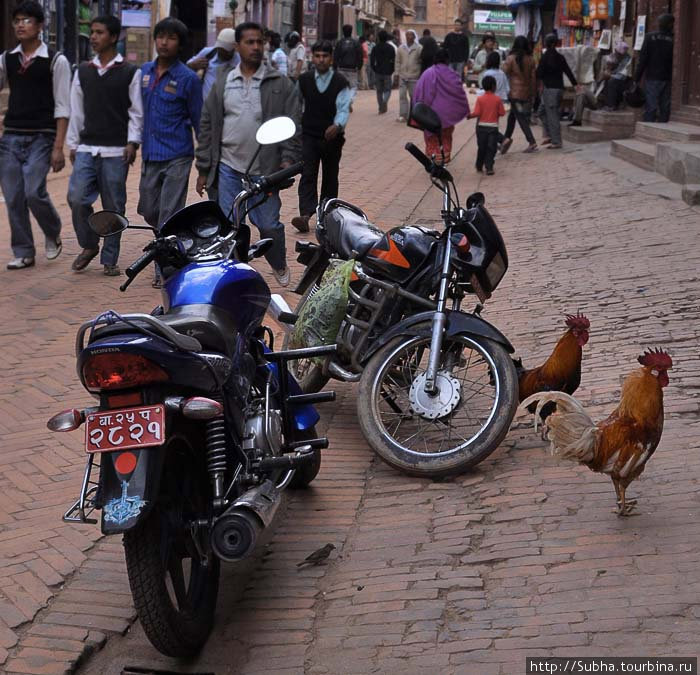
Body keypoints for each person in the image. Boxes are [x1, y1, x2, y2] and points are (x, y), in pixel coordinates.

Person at [195, 22, 301, 287]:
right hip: (228, 166)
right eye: (249, 42)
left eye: (259, 42)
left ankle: (277, 261)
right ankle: (235, 276)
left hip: (264, 169)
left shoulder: (280, 83)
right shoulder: (223, 82)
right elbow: (208, 124)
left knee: (268, 224)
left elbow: (291, 124)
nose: (255, 47)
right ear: (238, 46)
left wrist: (287, 161)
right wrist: (204, 168)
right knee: (230, 226)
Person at [67, 14, 142, 277]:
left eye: (99, 33)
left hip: (116, 150)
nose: (94, 38)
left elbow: (136, 111)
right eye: (92, 32)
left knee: (114, 206)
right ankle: (89, 244)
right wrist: (73, 144)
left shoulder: (130, 72)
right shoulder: (83, 71)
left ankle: (110, 258)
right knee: (76, 198)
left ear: (113, 37)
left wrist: (133, 142)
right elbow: (76, 110)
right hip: (87, 147)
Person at [0, 0, 70, 270]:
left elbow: (63, 105)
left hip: (42, 136)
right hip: (11, 137)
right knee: (13, 195)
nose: (20, 24)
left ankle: (52, 230)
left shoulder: (55, 60)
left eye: (26, 20)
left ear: (40, 26)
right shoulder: (7, 59)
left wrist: (58, 146)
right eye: (16, 20)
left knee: (33, 191)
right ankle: (24, 251)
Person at [138, 18, 202, 286]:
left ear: (180, 44)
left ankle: (165, 267)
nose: (164, 42)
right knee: (148, 210)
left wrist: (205, 164)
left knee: (168, 213)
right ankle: (180, 242)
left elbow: (199, 120)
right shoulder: (143, 73)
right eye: (160, 36)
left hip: (178, 154)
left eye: (171, 38)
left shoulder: (187, 79)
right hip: (150, 154)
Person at [291, 40, 351, 234]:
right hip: (309, 134)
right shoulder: (304, 80)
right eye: (317, 56)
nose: (321, 60)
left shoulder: (341, 82)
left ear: (331, 58)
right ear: (313, 57)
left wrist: (337, 125)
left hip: (332, 138)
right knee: (308, 173)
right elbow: (296, 104)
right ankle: (306, 214)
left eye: (325, 56)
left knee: (330, 176)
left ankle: (326, 216)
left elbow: (343, 108)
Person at [413, 48, 469, 164]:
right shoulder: (453, 74)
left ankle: (435, 161)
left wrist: (419, 112)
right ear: (448, 60)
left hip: (431, 116)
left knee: (432, 139)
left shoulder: (428, 73)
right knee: (446, 138)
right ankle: (444, 160)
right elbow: (459, 94)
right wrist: (465, 110)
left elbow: (421, 93)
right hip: (448, 117)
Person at [536, 34, 577, 149]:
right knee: (541, 112)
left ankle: (557, 141)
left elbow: (538, 74)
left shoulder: (544, 57)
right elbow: (568, 71)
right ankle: (551, 135)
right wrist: (575, 85)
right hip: (558, 89)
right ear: (555, 43)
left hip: (550, 91)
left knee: (552, 116)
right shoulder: (560, 57)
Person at [501, 35, 537, 154]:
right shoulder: (531, 59)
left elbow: (503, 73)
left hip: (514, 93)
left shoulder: (511, 58)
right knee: (512, 116)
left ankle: (531, 141)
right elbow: (533, 79)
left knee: (519, 117)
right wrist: (532, 93)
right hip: (525, 92)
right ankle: (504, 142)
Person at [634, 13, 674, 123]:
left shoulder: (649, 37)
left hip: (652, 76)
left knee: (651, 105)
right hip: (667, 77)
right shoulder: (673, 39)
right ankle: (663, 125)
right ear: (671, 25)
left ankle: (648, 125)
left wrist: (636, 78)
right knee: (664, 105)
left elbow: (642, 60)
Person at [187, 28, 240, 102]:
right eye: (220, 49)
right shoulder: (208, 53)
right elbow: (187, 67)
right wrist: (193, 65)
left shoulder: (240, 60)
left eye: (225, 50)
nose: (221, 52)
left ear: (234, 48)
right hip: (206, 105)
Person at [468, 75, 505, 175]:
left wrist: (469, 116)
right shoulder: (497, 99)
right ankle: (489, 167)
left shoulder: (480, 99)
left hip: (481, 128)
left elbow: (477, 113)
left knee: (482, 147)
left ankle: (479, 165)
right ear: (494, 86)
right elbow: (502, 113)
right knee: (491, 148)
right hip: (493, 128)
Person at [396, 30, 422, 123]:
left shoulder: (419, 48)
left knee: (413, 96)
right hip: (402, 75)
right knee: (402, 96)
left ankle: (414, 116)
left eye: (410, 35)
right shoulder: (401, 48)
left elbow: (421, 61)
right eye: (407, 35)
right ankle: (403, 115)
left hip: (414, 76)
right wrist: (397, 73)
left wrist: (419, 73)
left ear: (414, 37)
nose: (408, 37)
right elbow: (398, 61)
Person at [370, 30, 395, 114]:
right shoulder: (390, 48)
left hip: (378, 71)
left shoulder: (375, 47)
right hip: (387, 71)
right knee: (387, 89)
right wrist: (392, 70)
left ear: (378, 38)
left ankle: (381, 107)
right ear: (387, 38)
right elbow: (393, 60)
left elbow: (372, 61)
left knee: (379, 91)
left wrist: (374, 69)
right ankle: (385, 101)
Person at [333, 24, 362, 95]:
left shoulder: (339, 43)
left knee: (341, 88)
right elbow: (360, 56)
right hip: (352, 69)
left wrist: (334, 67)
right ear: (351, 32)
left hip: (341, 69)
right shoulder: (356, 43)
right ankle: (349, 101)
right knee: (352, 87)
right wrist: (359, 67)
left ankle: (345, 102)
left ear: (343, 32)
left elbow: (335, 56)